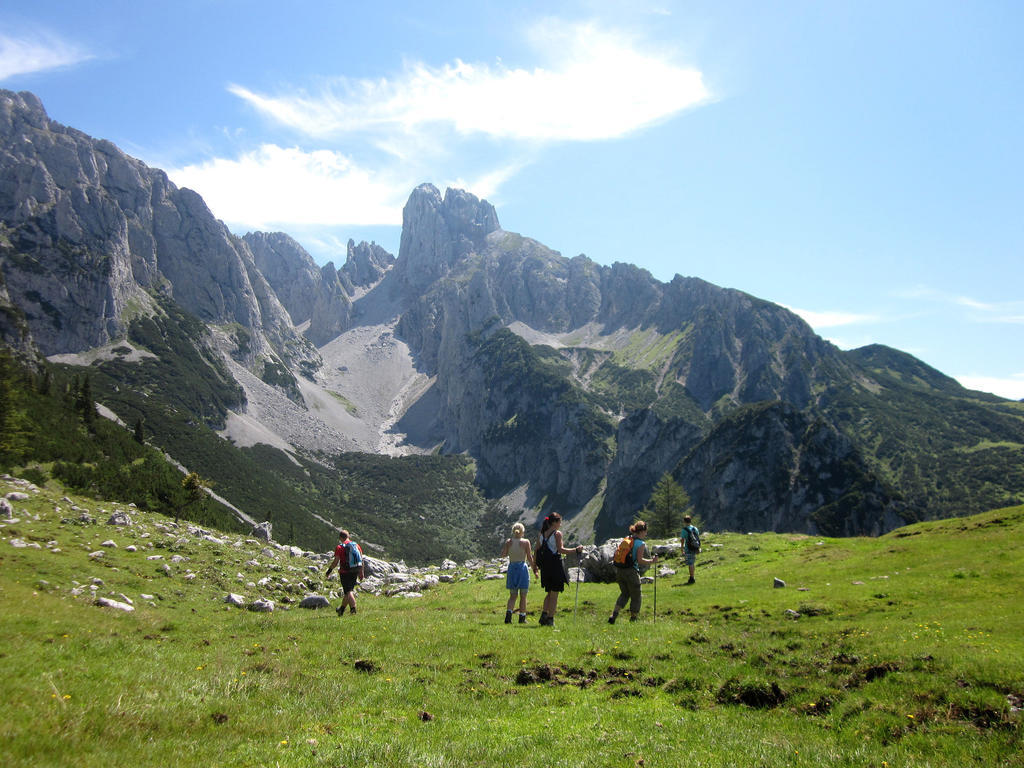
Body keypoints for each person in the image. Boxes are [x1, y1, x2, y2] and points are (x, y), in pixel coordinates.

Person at [536, 513, 582, 627]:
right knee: (555, 593)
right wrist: (576, 550)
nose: (560, 524)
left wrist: (535, 566)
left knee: (549, 592)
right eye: (559, 522)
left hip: (545, 567)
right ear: (554, 522)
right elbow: (561, 550)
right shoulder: (557, 534)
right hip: (555, 565)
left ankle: (544, 615)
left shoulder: (542, 534)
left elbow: (537, 549)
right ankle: (550, 619)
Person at [608, 520, 657, 624]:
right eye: (645, 532)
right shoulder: (640, 543)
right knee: (636, 595)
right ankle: (633, 618)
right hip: (631, 572)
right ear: (641, 531)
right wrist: (652, 561)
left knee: (625, 594)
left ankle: (614, 615)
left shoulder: (627, 539)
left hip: (620, 571)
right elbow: (640, 560)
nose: (646, 534)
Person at [500, 522, 538, 624]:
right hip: (522, 568)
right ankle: (522, 617)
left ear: (513, 531)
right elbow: (529, 557)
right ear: (522, 532)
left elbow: (503, 554)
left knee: (513, 595)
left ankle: (508, 617)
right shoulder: (526, 542)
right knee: (523, 595)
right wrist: (535, 569)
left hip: (512, 568)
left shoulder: (509, 541)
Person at [325, 529, 364, 616]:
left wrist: (329, 571)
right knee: (348, 592)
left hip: (345, 572)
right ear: (348, 536)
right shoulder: (356, 545)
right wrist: (361, 572)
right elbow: (361, 559)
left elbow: (336, 562)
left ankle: (353, 609)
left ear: (340, 538)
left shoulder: (339, 547)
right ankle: (341, 609)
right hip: (355, 570)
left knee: (348, 591)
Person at [680, 514, 700, 585]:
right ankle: (692, 576)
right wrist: (698, 547)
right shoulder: (695, 528)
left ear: (684, 522)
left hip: (688, 548)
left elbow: (682, 540)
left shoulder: (684, 530)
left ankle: (692, 578)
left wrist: (682, 548)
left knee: (690, 563)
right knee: (693, 562)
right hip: (695, 547)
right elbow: (697, 538)